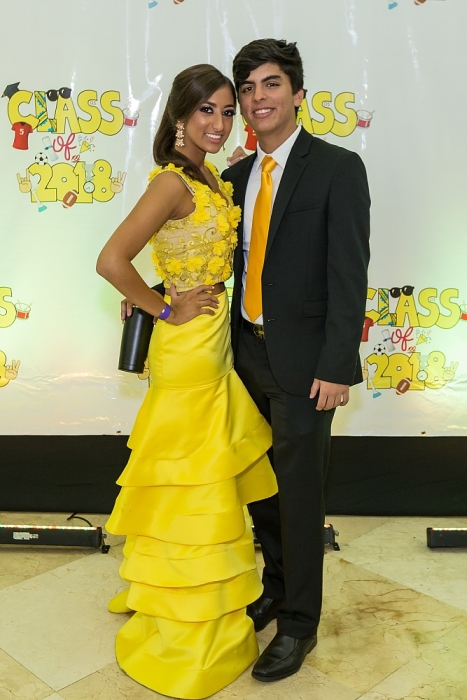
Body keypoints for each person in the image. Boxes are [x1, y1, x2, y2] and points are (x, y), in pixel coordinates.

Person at [96, 64, 277, 699]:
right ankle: (185, 620)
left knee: (202, 476)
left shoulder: (210, 176)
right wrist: (163, 307)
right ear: (179, 117)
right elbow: (111, 260)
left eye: (228, 111)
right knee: (192, 480)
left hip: (216, 341)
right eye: (207, 111)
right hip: (189, 347)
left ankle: (199, 597)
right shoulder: (172, 182)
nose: (220, 123)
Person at [221, 39, 371, 683]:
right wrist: (153, 297)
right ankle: (276, 590)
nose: (258, 98)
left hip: (308, 365)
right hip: (244, 358)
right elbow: (208, 259)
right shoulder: (233, 179)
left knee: (301, 497)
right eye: (247, 88)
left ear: (298, 94)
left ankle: (300, 623)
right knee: (262, 490)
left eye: (271, 84)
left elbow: (349, 272)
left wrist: (337, 364)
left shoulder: (338, 167)